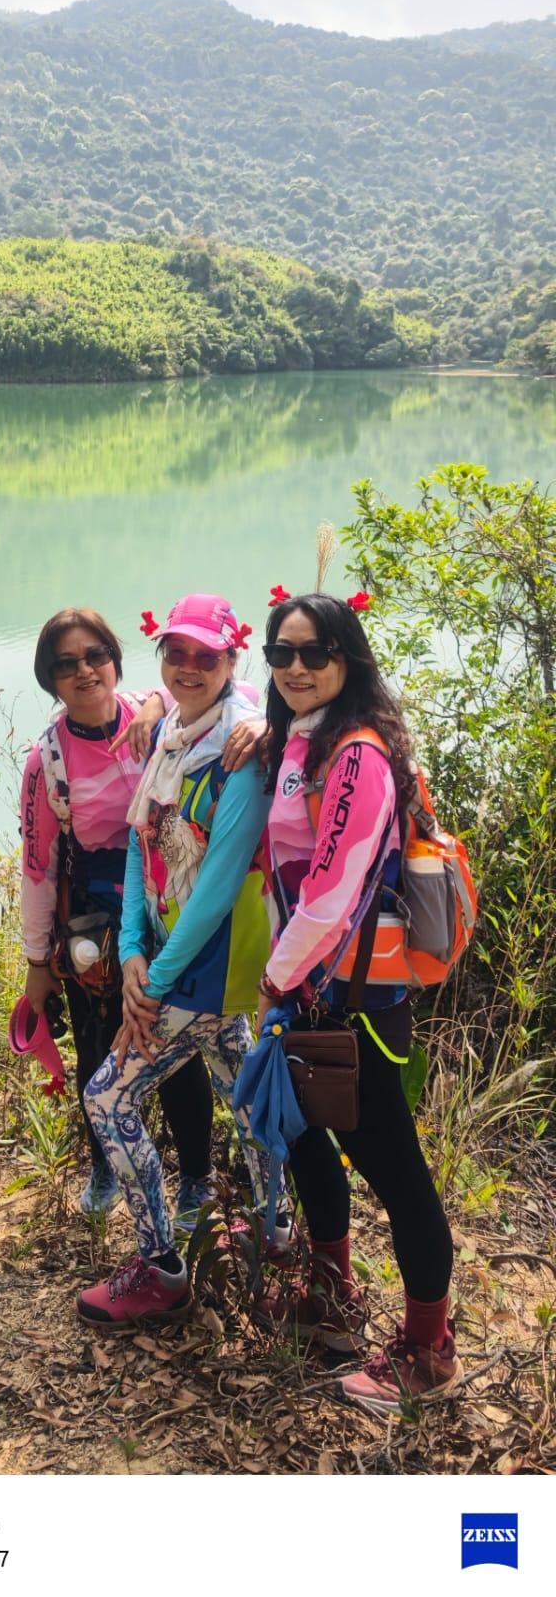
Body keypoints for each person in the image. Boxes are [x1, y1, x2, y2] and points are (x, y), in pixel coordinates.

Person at [255, 590, 460, 1412]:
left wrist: (274, 979)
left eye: (317, 652)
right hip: (314, 994)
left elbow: (333, 890)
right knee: (307, 1140)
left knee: (393, 1167)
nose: (297, 667)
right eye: (282, 653)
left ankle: (430, 1349)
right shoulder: (300, 742)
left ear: (349, 658)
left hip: (358, 1000)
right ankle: (332, 1300)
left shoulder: (357, 756)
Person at [76, 593, 275, 1329]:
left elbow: (216, 890)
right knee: (245, 1096)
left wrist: (152, 986)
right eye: (177, 653)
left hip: (208, 967)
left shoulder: (239, 756)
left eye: (206, 656)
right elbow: (140, 845)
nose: (189, 667)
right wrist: (131, 948)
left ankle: (162, 1268)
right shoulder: (170, 736)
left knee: (108, 1099)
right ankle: (277, 1233)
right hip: (175, 959)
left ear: (231, 662)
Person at [20, 607, 215, 1232]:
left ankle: (197, 1177)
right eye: (66, 664)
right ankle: (107, 1166)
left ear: (114, 659)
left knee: (176, 1047)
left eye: (95, 655)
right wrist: (36, 962)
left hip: (172, 903)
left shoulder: (160, 715)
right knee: (100, 1045)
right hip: (95, 928)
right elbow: (38, 868)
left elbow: (216, 689)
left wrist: (156, 706)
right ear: (49, 679)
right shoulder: (47, 762)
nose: (84, 671)